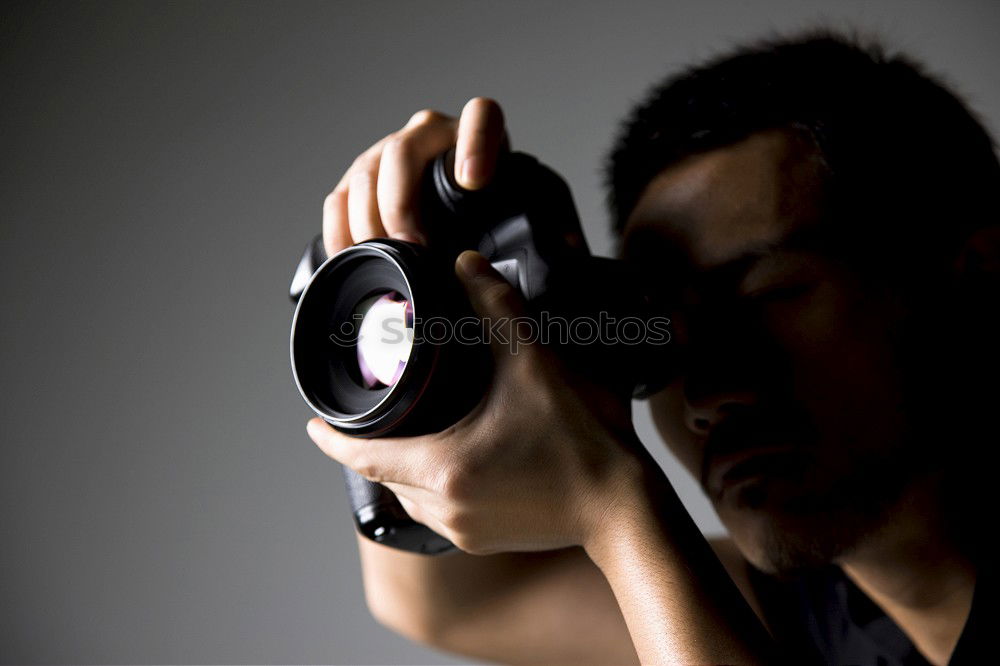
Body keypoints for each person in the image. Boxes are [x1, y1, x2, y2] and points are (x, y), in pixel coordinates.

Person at [305, 30, 998, 665]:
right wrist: (431, 283)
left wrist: (611, 504)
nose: (705, 390)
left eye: (768, 296)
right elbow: (456, 602)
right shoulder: (814, 615)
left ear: (974, 277)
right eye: (661, 332)